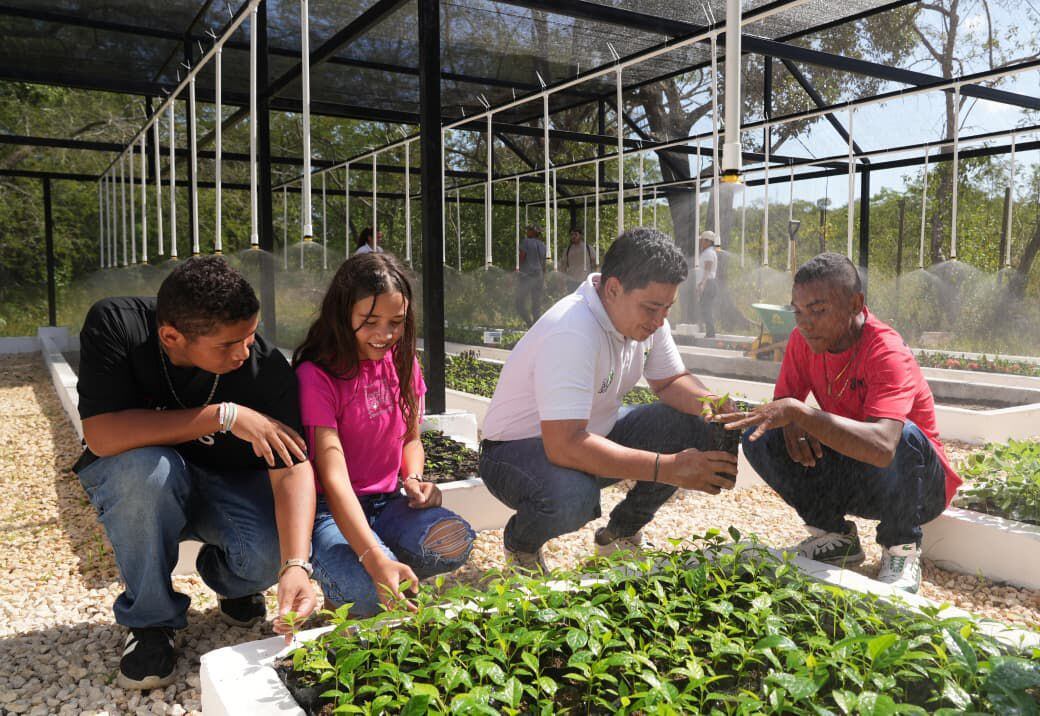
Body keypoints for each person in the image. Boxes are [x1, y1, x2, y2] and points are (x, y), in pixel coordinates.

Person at [74, 256, 317, 690]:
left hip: (225, 485)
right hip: (149, 480)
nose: (244, 352)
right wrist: (224, 415)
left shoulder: (263, 365)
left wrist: (296, 565)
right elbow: (102, 436)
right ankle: (150, 623)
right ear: (171, 336)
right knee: (145, 471)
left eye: (250, 335)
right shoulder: (117, 325)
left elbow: (292, 468)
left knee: (268, 553)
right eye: (228, 345)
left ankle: (227, 578)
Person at [480, 227, 739, 571]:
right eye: (651, 308)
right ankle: (521, 544)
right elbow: (564, 445)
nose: (660, 320)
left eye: (667, 308)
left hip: (588, 435)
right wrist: (668, 468)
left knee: (691, 423)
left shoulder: (648, 321)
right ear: (614, 289)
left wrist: (711, 402)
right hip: (515, 453)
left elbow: (670, 380)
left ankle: (619, 534)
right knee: (573, 497)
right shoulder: (573, 330)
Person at [717, 253, 960, 593]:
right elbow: (783, 409)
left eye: (818, 310)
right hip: (862, 476)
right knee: (761, 436)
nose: (805, 323)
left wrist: (802, 415)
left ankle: (901, 547)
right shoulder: (803, 343)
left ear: (855, 303)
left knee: (901, 432)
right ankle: (835, 538)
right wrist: (780, 419)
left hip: (918, 485)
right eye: (798, 312)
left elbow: (884, 445)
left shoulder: (886, 351)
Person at [293, 253, 475, 616]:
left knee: (454, 542)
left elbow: (411, 439)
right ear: (343, 315)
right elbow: (332, 476)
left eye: (396, 322)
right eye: (370, 321)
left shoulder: (403, 362)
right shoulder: (317, 376)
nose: (385, 334)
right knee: (366, 594)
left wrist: (414, 478)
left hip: (389, 501)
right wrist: (374, 558)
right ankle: (351, 581)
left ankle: (383, 564)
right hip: (331, 510)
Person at [515, 225, 548, 327]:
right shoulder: (543, 245)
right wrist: (544, 278)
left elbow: (522, 256)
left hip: (527, 276)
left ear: (534, 232)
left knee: (519, 302)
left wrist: (517, 269)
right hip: (539, 277)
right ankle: (536, 328)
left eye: (529, 230)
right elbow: (544, 264)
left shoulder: (526, 242)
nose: (527, 232)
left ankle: (529, 324)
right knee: (536, 304)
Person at [696, 231, 719, 338]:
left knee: (706, 308)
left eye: (703, 240)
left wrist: (702, 284)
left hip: (708, 283)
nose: (701, 242)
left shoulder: (709, 253)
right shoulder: (707, 252)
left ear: (708, 242)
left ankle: (710, 332)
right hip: (708, 283)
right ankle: (709, 331)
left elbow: (707, 270)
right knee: (705, 307)